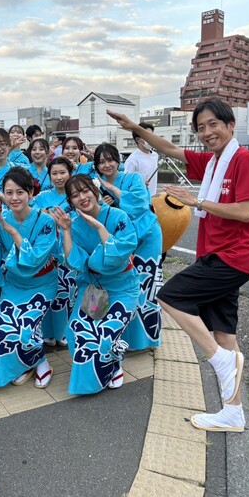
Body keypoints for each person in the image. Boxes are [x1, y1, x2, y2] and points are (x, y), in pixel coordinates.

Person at [107, 98, 249, 432]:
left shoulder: (243, 159)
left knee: (169, 296)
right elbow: (168, 148)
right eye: (201, 127)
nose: (207, 132)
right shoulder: (212, 161)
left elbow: (244, 212)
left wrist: (198, 202)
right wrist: (134, 128)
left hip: (232, 257)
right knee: (224, 333)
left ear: (231, 125)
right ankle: (233, 412)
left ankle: (219, 360)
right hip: (216, 254)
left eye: (213, 125)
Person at [0, 167, 58, 389]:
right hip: (14, 285)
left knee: (27, 326)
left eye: (20, 192)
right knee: (6, 331)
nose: (14, 198)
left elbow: (35, 259)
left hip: (42, 283)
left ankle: (41, 362)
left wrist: (15, 234)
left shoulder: (46, 221)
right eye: (9, 193)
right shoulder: (0, 221)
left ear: (30, 193)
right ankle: (29, 363)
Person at [50, 175, 139, 395]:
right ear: (70, 201)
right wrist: (66, 230)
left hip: (122, 288)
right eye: (75, 195)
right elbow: (74, 261)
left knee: (105, 333)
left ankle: (113, 362)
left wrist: (99, 227)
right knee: (77, 330)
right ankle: (99, 370)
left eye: (85, 191)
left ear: (95, 190)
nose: (82, 197)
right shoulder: (73, 223)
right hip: (92, 289)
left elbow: (120, 253)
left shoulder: (118, 216)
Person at [94, 143, 162, 350]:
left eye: (110, 160)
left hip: (146, 236)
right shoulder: (94, 185)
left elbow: (139, 205)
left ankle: (145, 339)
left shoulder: (133, 178)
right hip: (120, 241)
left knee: (146, 285)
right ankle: (117, 336)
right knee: (122, 285)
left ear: (118, 160)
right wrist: (103, 202)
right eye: (101, 162)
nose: (107, 165)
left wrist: (113, 190)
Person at [34, 156, 76, 347]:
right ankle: (47, 333)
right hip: (47, 251)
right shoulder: (41, 197)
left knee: (67, 292)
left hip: (69, 248)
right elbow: (33, 218)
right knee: (48, 292)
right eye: (54, 173)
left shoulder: (77, 195)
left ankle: (64, 331)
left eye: (62, 173)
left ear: (70, 173)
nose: (59, 177)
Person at [124, 122, 159, 197]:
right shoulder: (133, 159)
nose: (151, 139)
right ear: (138, 139)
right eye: (147, 136)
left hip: (153, 195)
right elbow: (126, 182)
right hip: (140, 198)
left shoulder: (155, 155)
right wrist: (138, 184)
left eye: (152, 135)